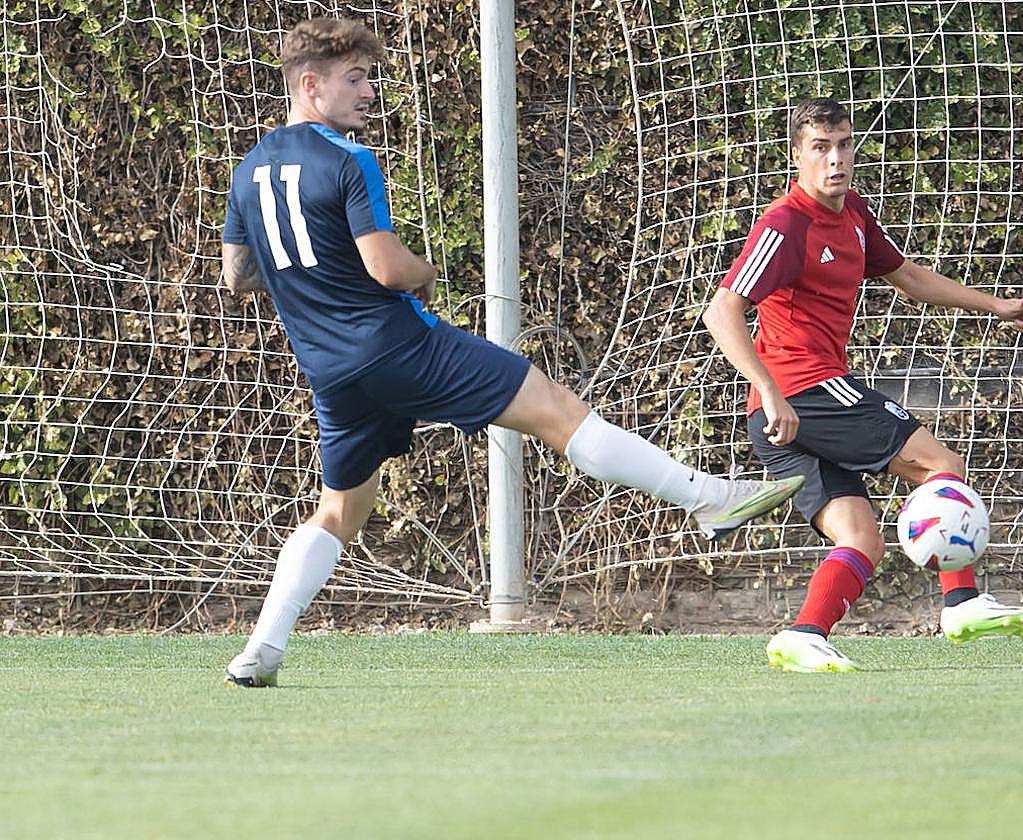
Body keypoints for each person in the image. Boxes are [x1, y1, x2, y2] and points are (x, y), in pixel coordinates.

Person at [219, 18, 803, 687]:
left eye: (371, 77)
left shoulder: (247, 171)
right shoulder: (349, 160)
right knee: (557, 410)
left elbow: (237, 276)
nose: (371, 91)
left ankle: (260, 650)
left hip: (330, 373)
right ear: (311, 84)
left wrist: (311, 277)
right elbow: (385, 269)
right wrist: (425, 268)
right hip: (399, 345)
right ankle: (708, 498)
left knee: (337, 512)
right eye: (356, 78)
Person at [702, 97, 1023, 673]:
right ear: (797, 156)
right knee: (941, 466)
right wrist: (772, 389)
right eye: (820, 147)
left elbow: (909, 277)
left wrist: (997, 305)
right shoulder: (786, 225)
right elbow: (722, 312)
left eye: (843, 144)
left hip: (787, 413)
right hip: (804, 392)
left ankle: (803, 635)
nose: (835, 159)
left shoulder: (855, 216)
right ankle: (960, 602)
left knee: (861, 538)